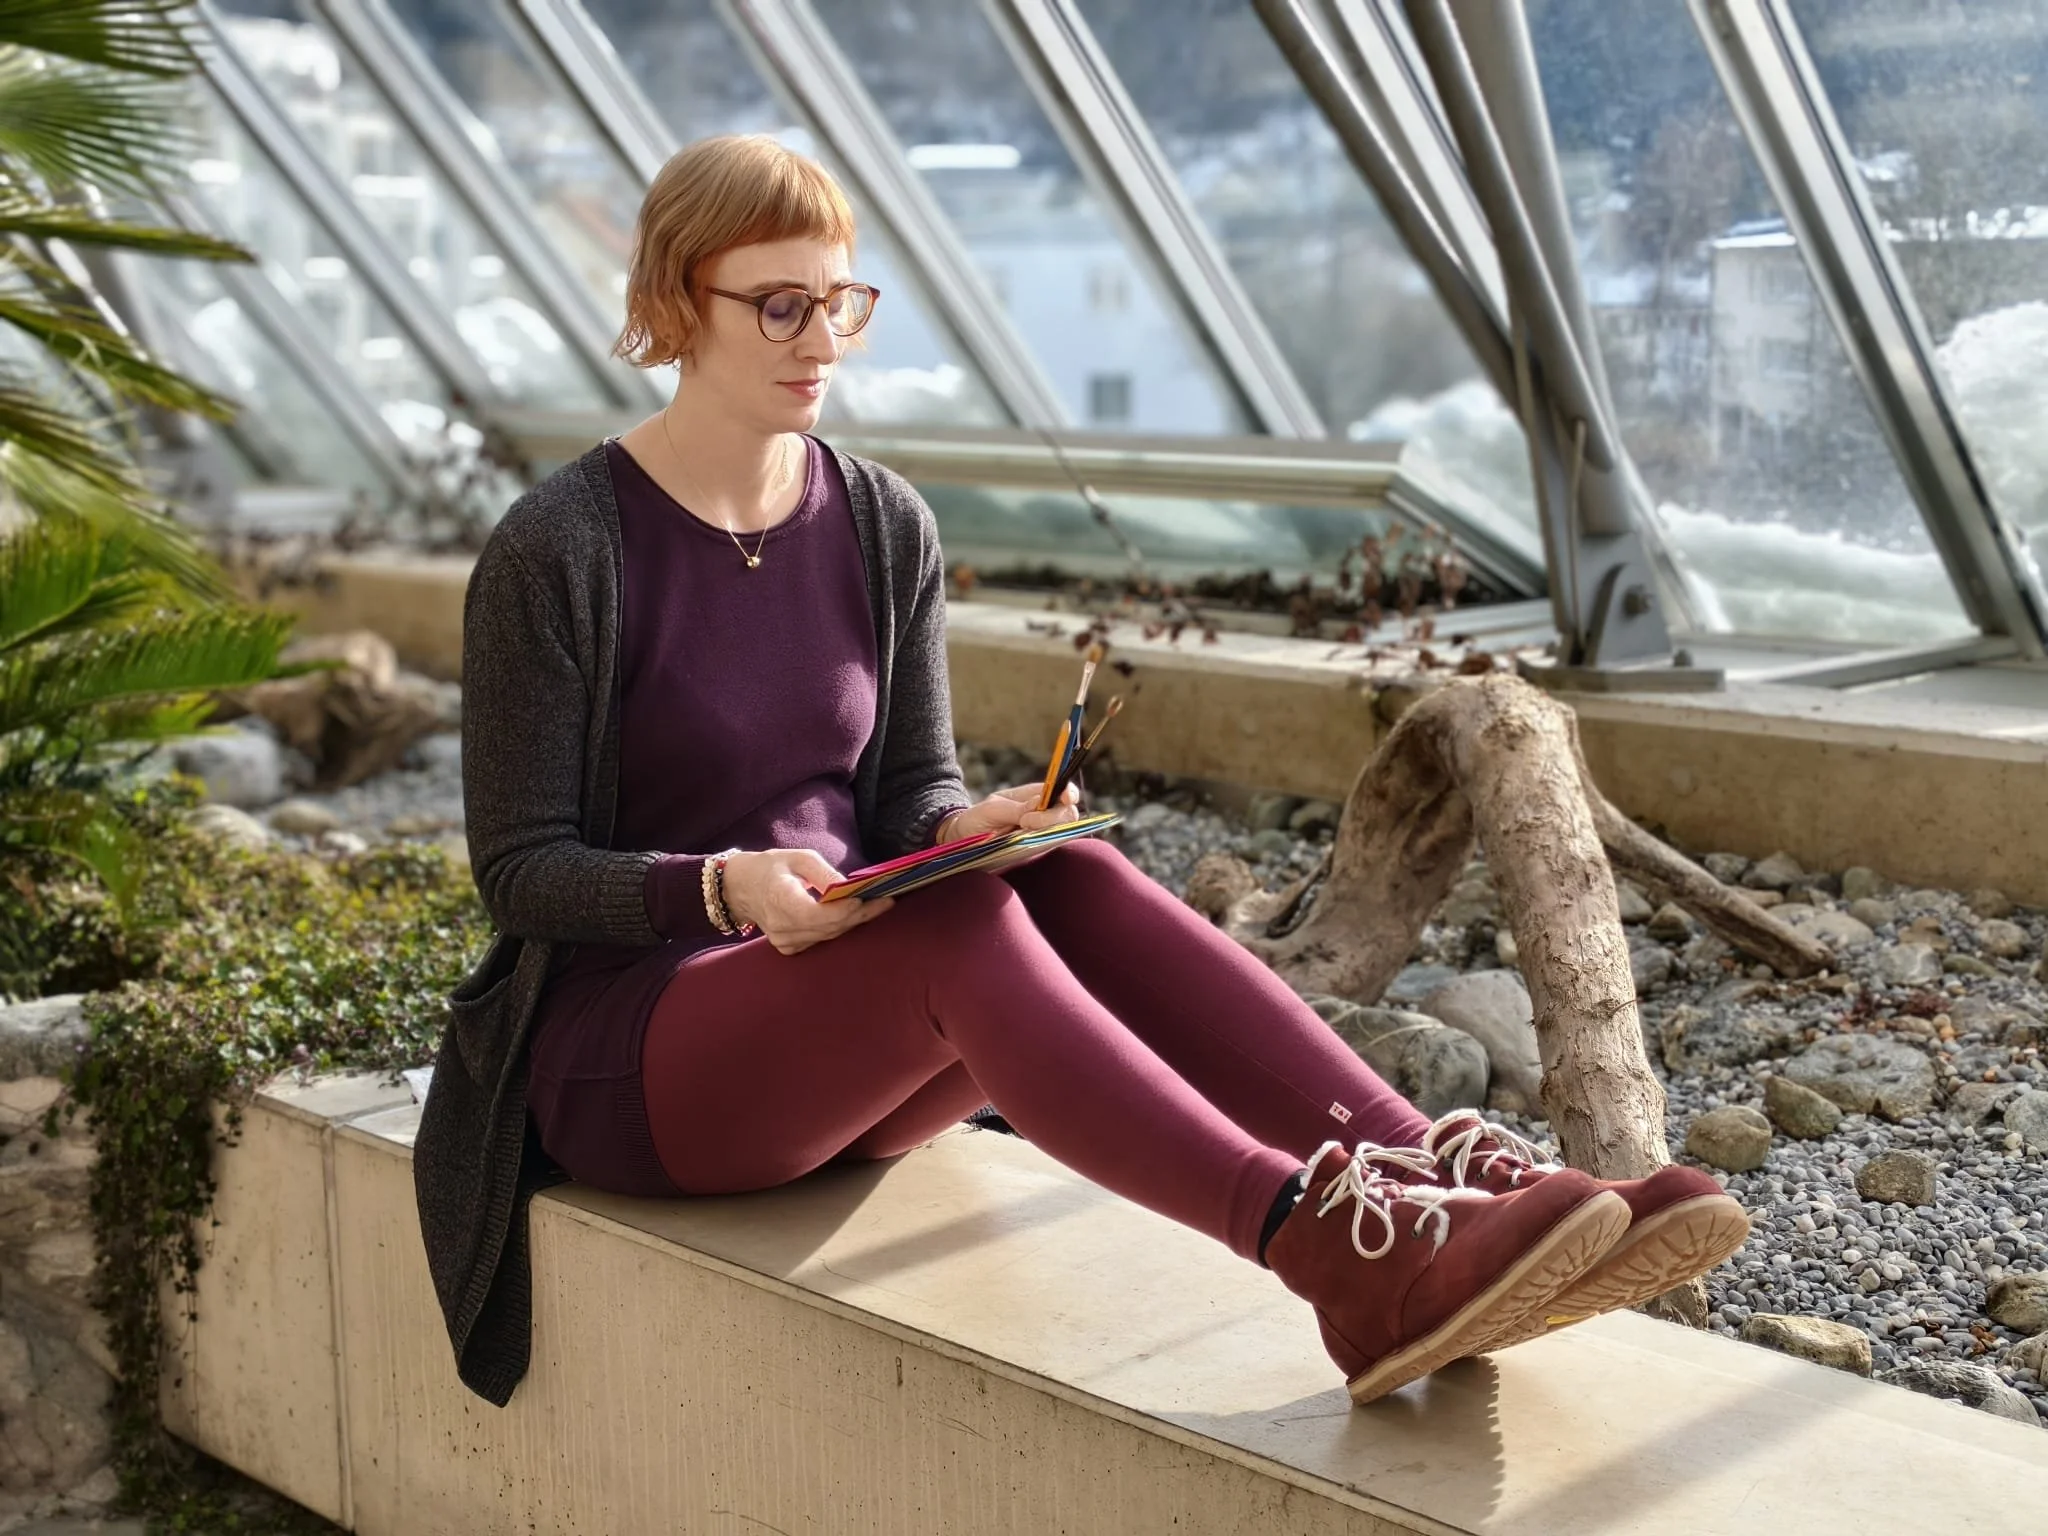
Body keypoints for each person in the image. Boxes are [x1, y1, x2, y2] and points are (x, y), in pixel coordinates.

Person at [411, 134, 1748, 1412]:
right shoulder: (564, 547)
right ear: (671, 302)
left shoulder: (879, 522)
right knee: (958, 919)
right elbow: (520, 874)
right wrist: (721, 889)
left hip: (840, 1022)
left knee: (1064, 872)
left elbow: (906, 795)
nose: (823, 343)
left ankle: (1424, 1174)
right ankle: (1330, 1259)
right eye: (778, 308)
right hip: (632, 1062)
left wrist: (966, 823)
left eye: (843, 302)